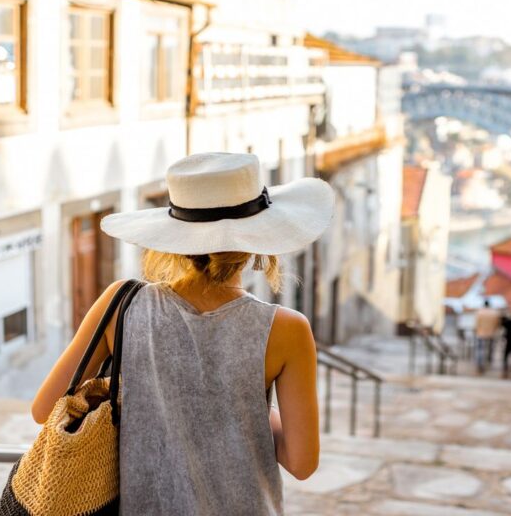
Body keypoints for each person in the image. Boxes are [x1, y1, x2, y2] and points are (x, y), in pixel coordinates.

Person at [31, 152, 334, 515]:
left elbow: (44, 409)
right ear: (257, 239)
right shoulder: (286, 329)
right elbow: (302, 463)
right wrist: (246, 402)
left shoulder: (120, 304)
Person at [473, 299, 501, 374]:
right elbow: (497, 324)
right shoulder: (494, 313)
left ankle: (480, 364)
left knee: (480, 350)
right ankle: (488, 362)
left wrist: (477, 330)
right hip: (491, 333)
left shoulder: (479, 312)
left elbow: (476, 324)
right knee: (490, 350)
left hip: (481, 333)